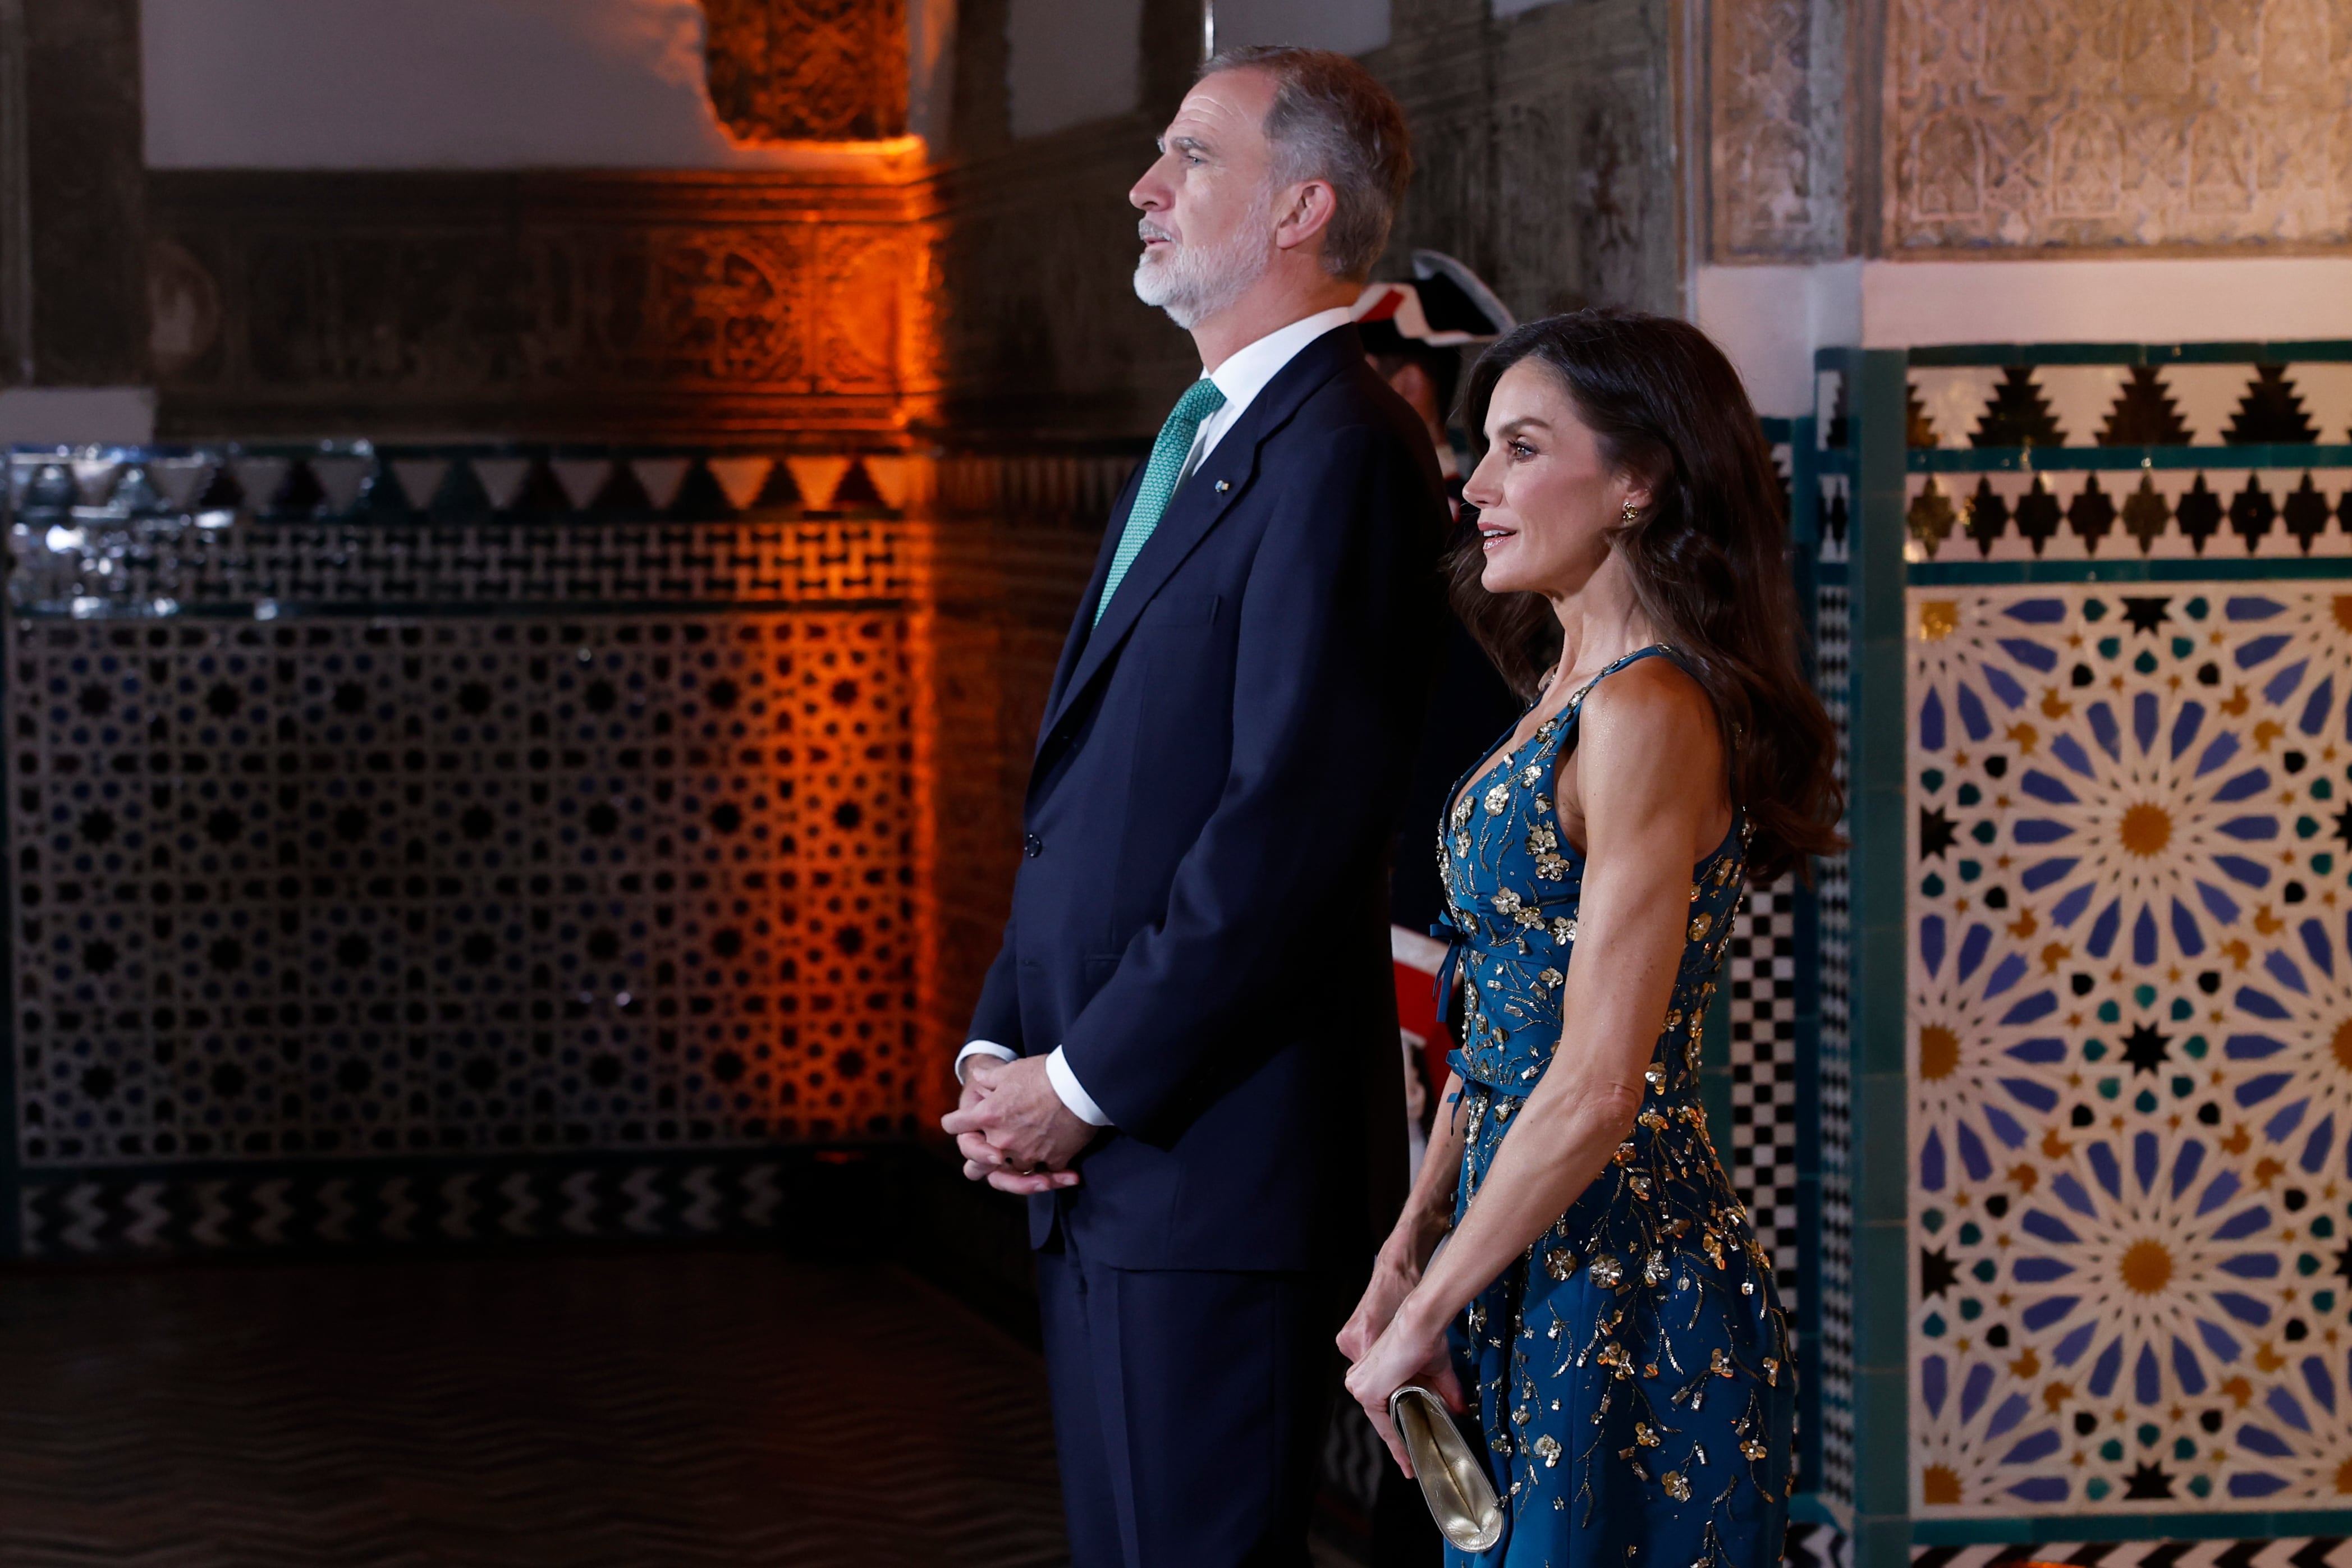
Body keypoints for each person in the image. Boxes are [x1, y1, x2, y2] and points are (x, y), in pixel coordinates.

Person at [940, 45, 1448, 1568]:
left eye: (1191, 157)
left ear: (1302, 205)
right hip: (1117, 1165)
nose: (1143, 187)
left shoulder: (1347, 448)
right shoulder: (1212, 437)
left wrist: (1083, 1080)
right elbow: (1087, 797)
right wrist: (998, 1046)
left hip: (1216, 1165)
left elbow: (1284, 830)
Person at [1336, 308, 1845, 1566]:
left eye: (1518, 447)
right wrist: (1408, 1248)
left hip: (1622, 1272)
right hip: (1516, 1243)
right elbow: (1505, 1022)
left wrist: (1431, 1296)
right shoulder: (1556, 692)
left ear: (1637, 478)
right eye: (1479, 448)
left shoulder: (1650, 708)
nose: (1475, 483)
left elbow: (1601, 1080)